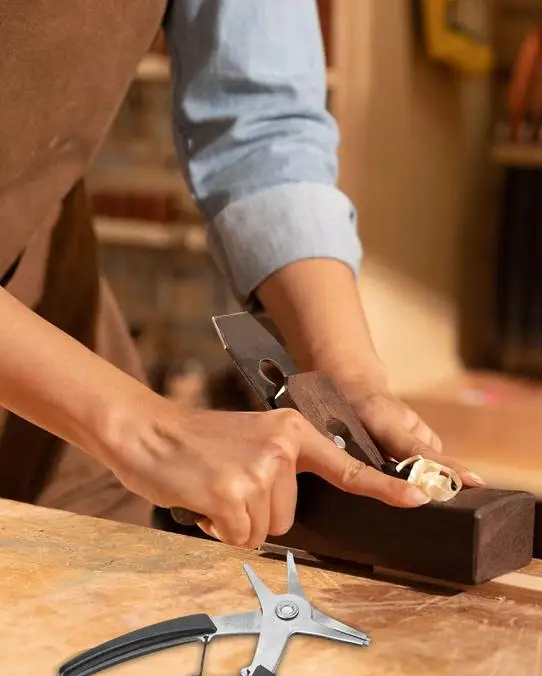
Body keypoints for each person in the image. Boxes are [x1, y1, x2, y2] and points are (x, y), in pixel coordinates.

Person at [0, 0, 483, 550]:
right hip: (92, 407)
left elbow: (262, 126)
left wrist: (348, 380)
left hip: (51, 344)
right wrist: (147, 432)